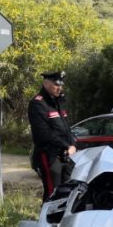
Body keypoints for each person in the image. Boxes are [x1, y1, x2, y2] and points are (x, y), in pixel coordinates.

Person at [28, 70, 76, 202]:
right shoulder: (38, 104)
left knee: (65, 189)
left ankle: (61, 220)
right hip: (49, 154)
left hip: (63, 154)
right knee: (52, 191)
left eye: (61, 84)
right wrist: (66, 145)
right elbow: (43, 134)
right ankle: (46, 221)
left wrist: (72, 144)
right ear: (45, 83)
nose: (59, 87)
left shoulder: (57, 103)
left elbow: (66, 128)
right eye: (56, 84)